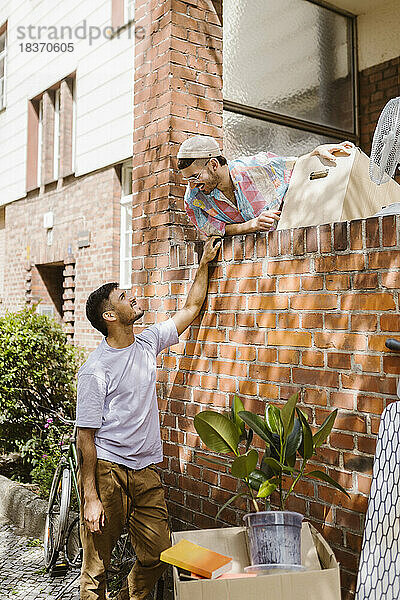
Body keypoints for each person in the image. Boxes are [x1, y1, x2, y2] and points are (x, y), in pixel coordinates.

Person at [76, 236, 221, 600]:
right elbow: (85, 437)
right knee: (96, 570)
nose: (133, 296)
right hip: (108, 471)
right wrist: (91, 498)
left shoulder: (147, 342)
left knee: (158, 554)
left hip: (145, 470)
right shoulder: (96, 370)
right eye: (124, 297)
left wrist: (203, 264)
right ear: (110, 316)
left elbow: (190, 308)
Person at [177, 135, 353, 237]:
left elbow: (295, 166)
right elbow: (214, 231)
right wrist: (251, 225)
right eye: (187, 180)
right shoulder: (194, 200)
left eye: (195, 177)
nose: (192, 185)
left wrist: (316, 153)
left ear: (214, 165)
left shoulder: (257, 166)